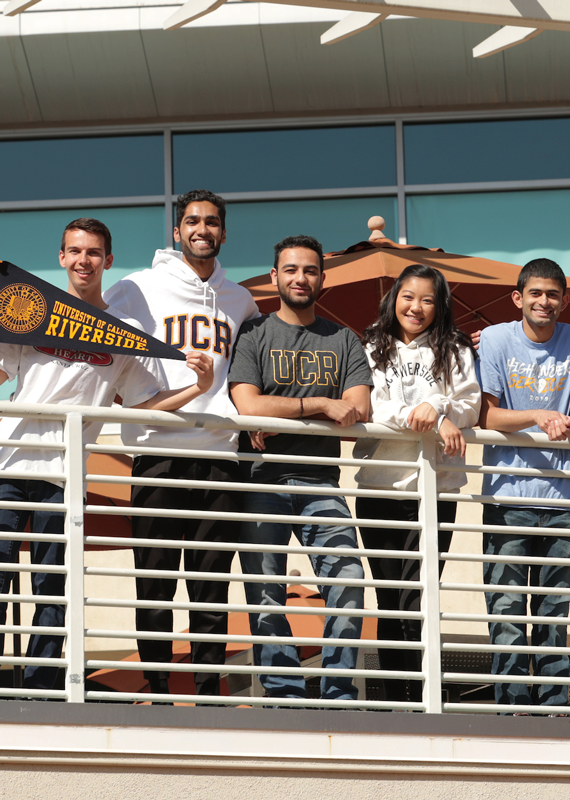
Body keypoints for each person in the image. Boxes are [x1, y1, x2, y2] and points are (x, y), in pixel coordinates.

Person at [0, 218, 213, 693]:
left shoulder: (124, 331)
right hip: (8, 465)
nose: (83, 260)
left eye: (93, 253)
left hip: (67, 475)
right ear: (61, 258)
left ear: (107, 261)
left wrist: (198, 387)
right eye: (74, 251)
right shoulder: (31, 313)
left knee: (54, 587)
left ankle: (41, 688)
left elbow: (144, 407)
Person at [103, 190, 260, 700]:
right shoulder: (136, 288)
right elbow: (101, 343)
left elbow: (249, 377)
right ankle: (157, 689)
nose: (202, 229)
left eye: (212, 222)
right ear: (176, 231)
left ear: (223, 233)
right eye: (192, 221)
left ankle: (208, 692)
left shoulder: (241, 300)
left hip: (219, 454)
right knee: (154, 582)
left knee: (211, 587)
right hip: (158, 451)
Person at [229, 234, 372, 703]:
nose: (300, 278)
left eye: (309, 270)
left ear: (322, 279)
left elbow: (358, 408)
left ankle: (337, 694)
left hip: (320, 482)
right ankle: (285, 697)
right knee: (266, 594)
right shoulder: (253, 333)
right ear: (275, 277)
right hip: (260, 480)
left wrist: (284, 412)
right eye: (290, 269)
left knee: (348, 582)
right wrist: (319, 405)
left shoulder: (344, 338)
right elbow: (248, 404)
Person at [478, 258, 570, 713]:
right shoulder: (495, 339)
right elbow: (488, 416)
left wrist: (566, 422)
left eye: (553, 295)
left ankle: (552, 709)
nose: (544, 302)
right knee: (507, 613)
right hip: (504, 497)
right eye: (535, 293)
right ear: (518, 298)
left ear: (564, 301)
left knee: (554, 615)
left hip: (558, 500)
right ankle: (512, 711)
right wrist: (538, 415)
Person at [353, 264, 480, 704]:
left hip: (436, 491)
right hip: (380, 490)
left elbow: (471, 405)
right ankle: (397, 701)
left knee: (421, 600)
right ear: (394, 299)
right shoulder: (370, 346)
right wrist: (419, 417)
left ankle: (424, 697)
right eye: (408, 297)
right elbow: (370, 407)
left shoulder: (457, 349)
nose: (417, 307)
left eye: (427, 299)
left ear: (439, 306)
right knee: (391, 600)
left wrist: (439, 407)